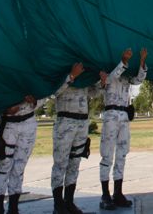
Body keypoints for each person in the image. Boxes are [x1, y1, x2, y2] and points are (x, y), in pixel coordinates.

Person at [99, 47, 147, 210]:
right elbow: (110, 79)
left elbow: (139, 80)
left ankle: (118, 193)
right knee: (107, 155)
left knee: (122, 154)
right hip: (111, 115)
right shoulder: (107, 74)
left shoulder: (127, 77)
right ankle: (105, 195)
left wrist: (142, 62)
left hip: (124, 116)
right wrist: (124, 61)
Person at [51, 62, 102, 214]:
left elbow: (93, 93)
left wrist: (102, 82)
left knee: (75, 163)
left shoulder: (85, 74)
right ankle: (58, 204)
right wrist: (72, 76)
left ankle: (69, 202)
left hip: (82, 122)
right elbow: (53, 93)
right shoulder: (61, 72)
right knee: (60, 163)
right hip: (65, 121)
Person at [0, 94, 38, 214]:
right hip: (8, 124)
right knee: (4, 166)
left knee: (19, 167)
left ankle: (13, 208)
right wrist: (4, 109)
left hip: (28, 123)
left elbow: (44, 92)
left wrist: (35, 101)